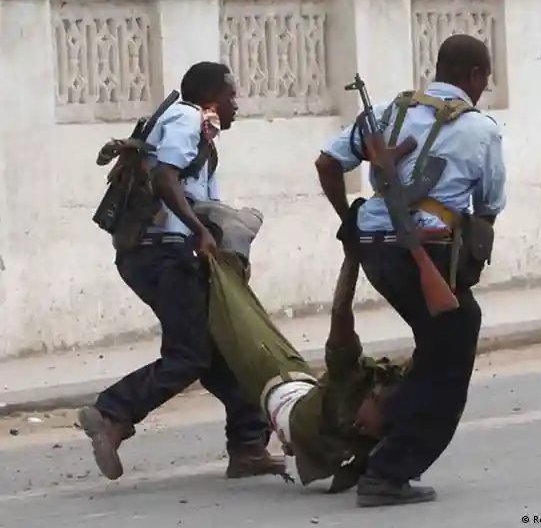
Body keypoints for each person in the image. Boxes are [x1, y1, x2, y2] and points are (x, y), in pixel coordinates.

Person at [314, 34, 507, 507]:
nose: (483, 89)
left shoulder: (388, 112)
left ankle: (382, 423)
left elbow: (327, 162)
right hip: (428, 253)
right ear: (475, 76)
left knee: (438, 347)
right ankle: (387, 468)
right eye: (484, 79)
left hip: (375, 251)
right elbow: (488, 206)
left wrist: (349, 220)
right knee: (449, 363)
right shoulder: (481, 129)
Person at [78, 61, 285, 482]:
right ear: (211, 98)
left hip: (165, 254)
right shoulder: (187, 118)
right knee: (190, 354)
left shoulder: (198, 132)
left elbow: (195, 196)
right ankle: (111, 413)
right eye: (231, 95)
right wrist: (199, 232)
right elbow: (164, 177)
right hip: (163, 255)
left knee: (225, 348)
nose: (236, 104)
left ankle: (248, 446)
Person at [200, 213, 411, 493]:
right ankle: (231, 248)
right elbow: (340, 312)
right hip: (276, 381)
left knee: (236, 316)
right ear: (375, 396)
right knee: (233, 312)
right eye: (373, 425)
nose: (364, 429)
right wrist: (352, 259)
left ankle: (225, 255)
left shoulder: (381, 426)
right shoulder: (349, 374)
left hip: (289, 393)